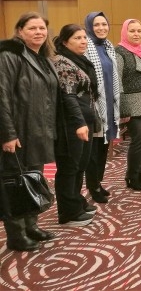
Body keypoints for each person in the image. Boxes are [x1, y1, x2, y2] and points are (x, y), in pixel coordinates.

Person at [0, 12, 58, 251]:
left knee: (32, 179)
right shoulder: (9, 55)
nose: (38, 32)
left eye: (42, 28)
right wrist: (8, 134)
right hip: (18, 132)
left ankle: (31, 225)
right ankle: (16, 234)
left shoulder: (42, 58)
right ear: (20, 31)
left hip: (38, 131)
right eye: (32, 28)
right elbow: (1, 96)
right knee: (15, 182)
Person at [53, 24, 99, 227]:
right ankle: (68, 212)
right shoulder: (62, 62)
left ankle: (76, 202)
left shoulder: (79, 60)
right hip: (71, 123)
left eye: (84, 38)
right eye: (77, 38)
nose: (83, 41)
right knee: (69, 167)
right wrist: (79, 122)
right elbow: (68, 96)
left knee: (80, 164)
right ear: (65, 42)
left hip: (84, 120)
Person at [116, 19, 141, 190]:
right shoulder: (119, 52)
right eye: (132, 31)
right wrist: (123, 107)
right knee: (140, 139)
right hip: (132, 104)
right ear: (125, 32)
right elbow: (117, 81)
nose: (136, 34)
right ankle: (131, 176)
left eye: (139, 31)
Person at [83, 12, 120, 204]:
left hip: (108, 104)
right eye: (96, 25)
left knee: (103, 147)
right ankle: (93, 186)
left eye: (104, 24)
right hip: (94, 106)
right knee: (93, 150)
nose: (101, 28)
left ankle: (98, 182)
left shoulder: (107, 47)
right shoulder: (85, 48)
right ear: (89, 27)